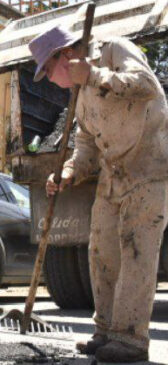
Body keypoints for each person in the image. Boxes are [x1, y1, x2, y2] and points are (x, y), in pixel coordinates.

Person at [32, 25, 168, 363]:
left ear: (64, 55)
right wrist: (67, 172)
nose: (49, 79)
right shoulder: (79, 96)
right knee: (101, 251)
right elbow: (87, 145)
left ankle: (131, 340)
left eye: (47, 70)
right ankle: (105, 330)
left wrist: (94, 74)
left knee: (137, 252)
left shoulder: (113, 51)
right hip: (112, 175)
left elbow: (149, 86)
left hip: (150, 167)